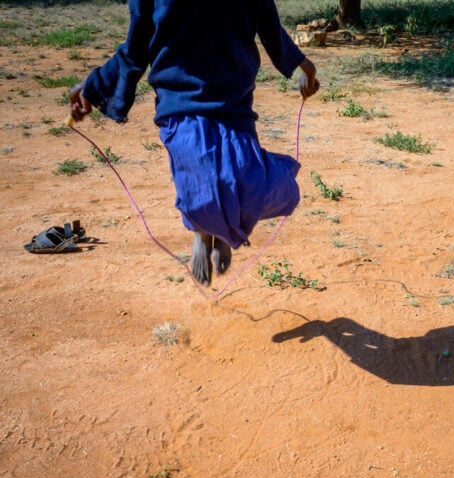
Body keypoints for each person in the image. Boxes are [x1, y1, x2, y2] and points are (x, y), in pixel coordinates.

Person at [69, 0, 320, 285]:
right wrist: (92, 87)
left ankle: (224, 232)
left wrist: (306, 67)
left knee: (247, 183)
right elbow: (135, 48)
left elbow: (271, 29)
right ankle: (203, 232)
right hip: (180, 104)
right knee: (200, 193)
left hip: (233, 101)